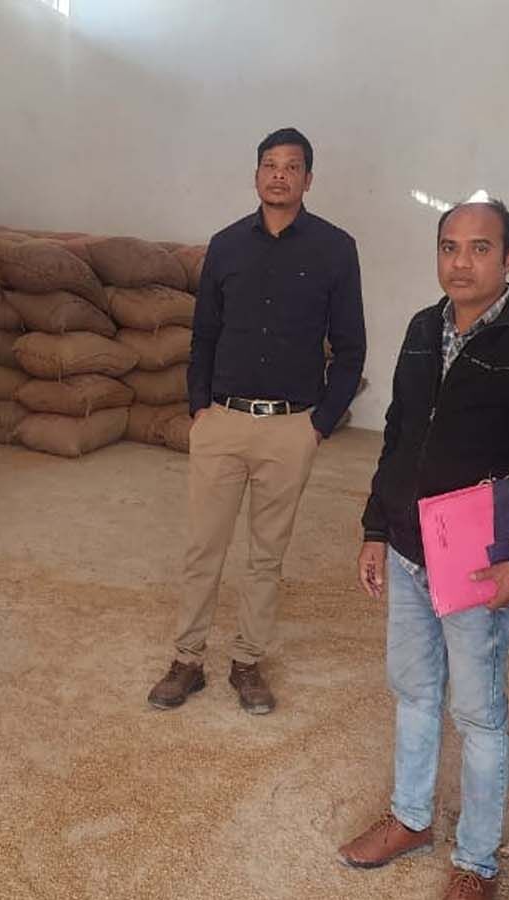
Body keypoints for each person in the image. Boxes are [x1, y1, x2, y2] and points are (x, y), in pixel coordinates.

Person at [338, 198, 509, 900]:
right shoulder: (421, 330)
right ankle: (411, 819)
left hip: (480, 568)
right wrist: (375, 528)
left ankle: (478, 862)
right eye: (449, 247)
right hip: (408, 551)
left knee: (479, 714)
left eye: (480, 248)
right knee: (414, 691)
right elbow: (399, 435)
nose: (461, 262)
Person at [148, 127, 366, 714]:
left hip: (291, 427)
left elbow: (351, 347)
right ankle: (187, 660)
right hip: (223, 420)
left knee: (267, 554)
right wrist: (200, 408)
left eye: (291, 167)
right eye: (269, 165)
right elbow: (204, 335)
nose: (279, 175)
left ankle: (247, 662)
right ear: (256, 176)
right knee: (203, 548)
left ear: (308, 180)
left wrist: (319, 424)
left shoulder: (335, 249)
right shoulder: (225, 246)